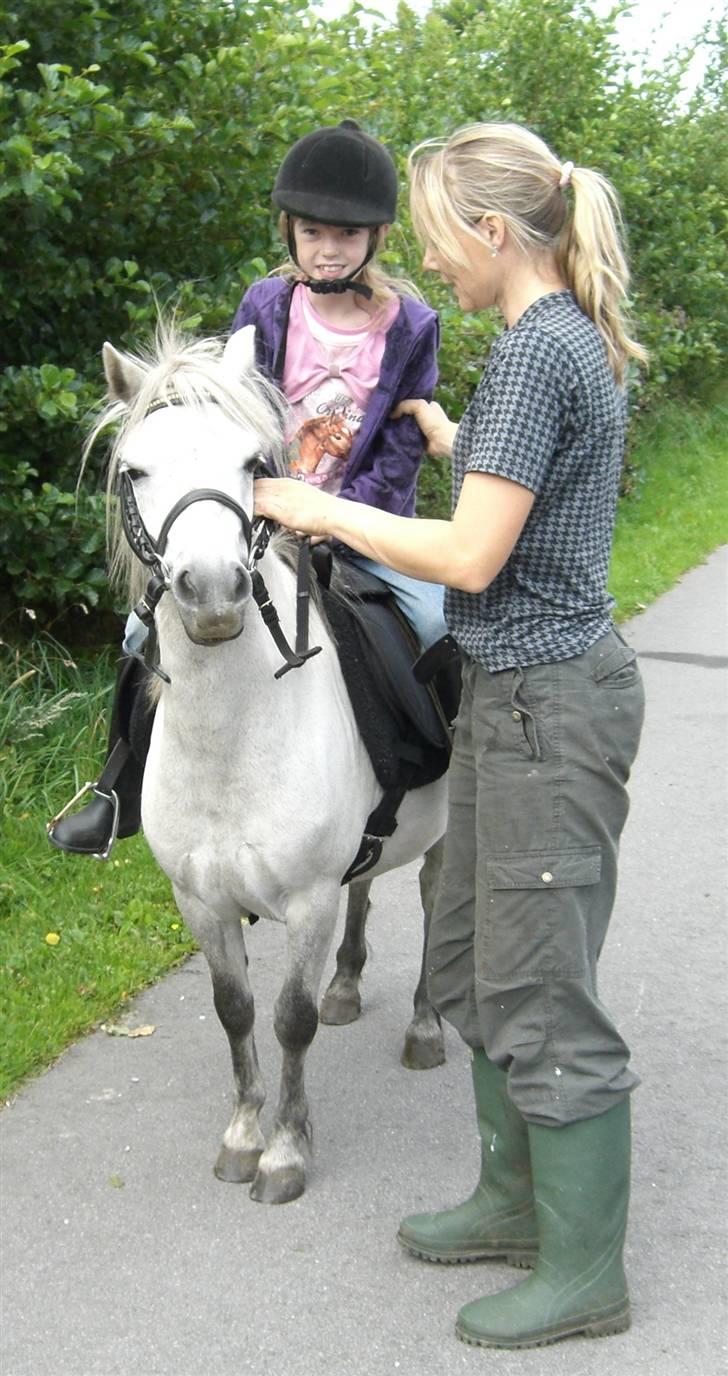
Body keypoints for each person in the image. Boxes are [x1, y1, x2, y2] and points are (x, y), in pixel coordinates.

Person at [254, 121, 647, 1351]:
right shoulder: (555, 339)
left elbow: (472, 552)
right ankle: (508, 1199)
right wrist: (452, 441)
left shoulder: (536, 351)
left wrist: (319, 506)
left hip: (548, 706)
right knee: (473, 959)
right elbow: (530, 487)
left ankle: (581, 1270)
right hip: (508, 694)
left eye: (434, 239)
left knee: (540, 990)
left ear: (490, 232)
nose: (427, 263)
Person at [48, 119, 445, 858]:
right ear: (291, 232)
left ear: (377, 238)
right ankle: (114, 788)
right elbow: (233, 419)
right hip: (262, 518)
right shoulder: (266, 305)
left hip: (364, 521)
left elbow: (401, 444)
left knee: (436, 619)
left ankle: (439, 772)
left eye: (348, 235)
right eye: (314, 232)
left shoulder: (411, 325)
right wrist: (265, 506)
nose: (329, 249)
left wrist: (339, 516)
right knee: (140, 632)